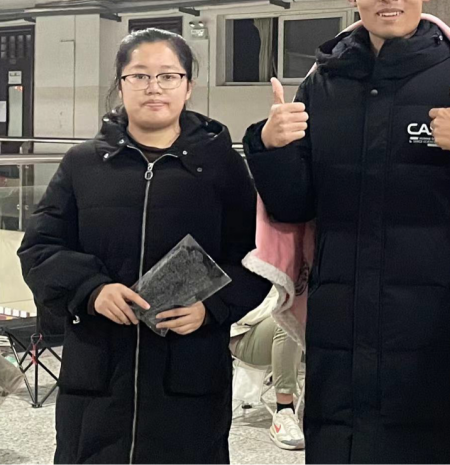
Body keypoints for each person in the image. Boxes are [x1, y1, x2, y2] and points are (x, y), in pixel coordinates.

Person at [244, 0, 450, 464]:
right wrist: (271, 147)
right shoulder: (324, 84)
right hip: (342, 327)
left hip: (439, 327)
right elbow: (295, 207)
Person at [17, 28, 270, 465]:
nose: (154, 87)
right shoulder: (82, 164)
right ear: (121, 85)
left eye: (168, 76)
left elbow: (255, 257)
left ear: (188, 86)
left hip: (187, 372)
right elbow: (39, 249)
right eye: (139, 75)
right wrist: (92, 290)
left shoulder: (222, 168)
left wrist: (211, 309)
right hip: (98, 374)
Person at [230, 287, 305, 451]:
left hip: (286, 324)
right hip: (245, 334)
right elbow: (237, 311)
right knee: (287, 320)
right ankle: (284, 411)